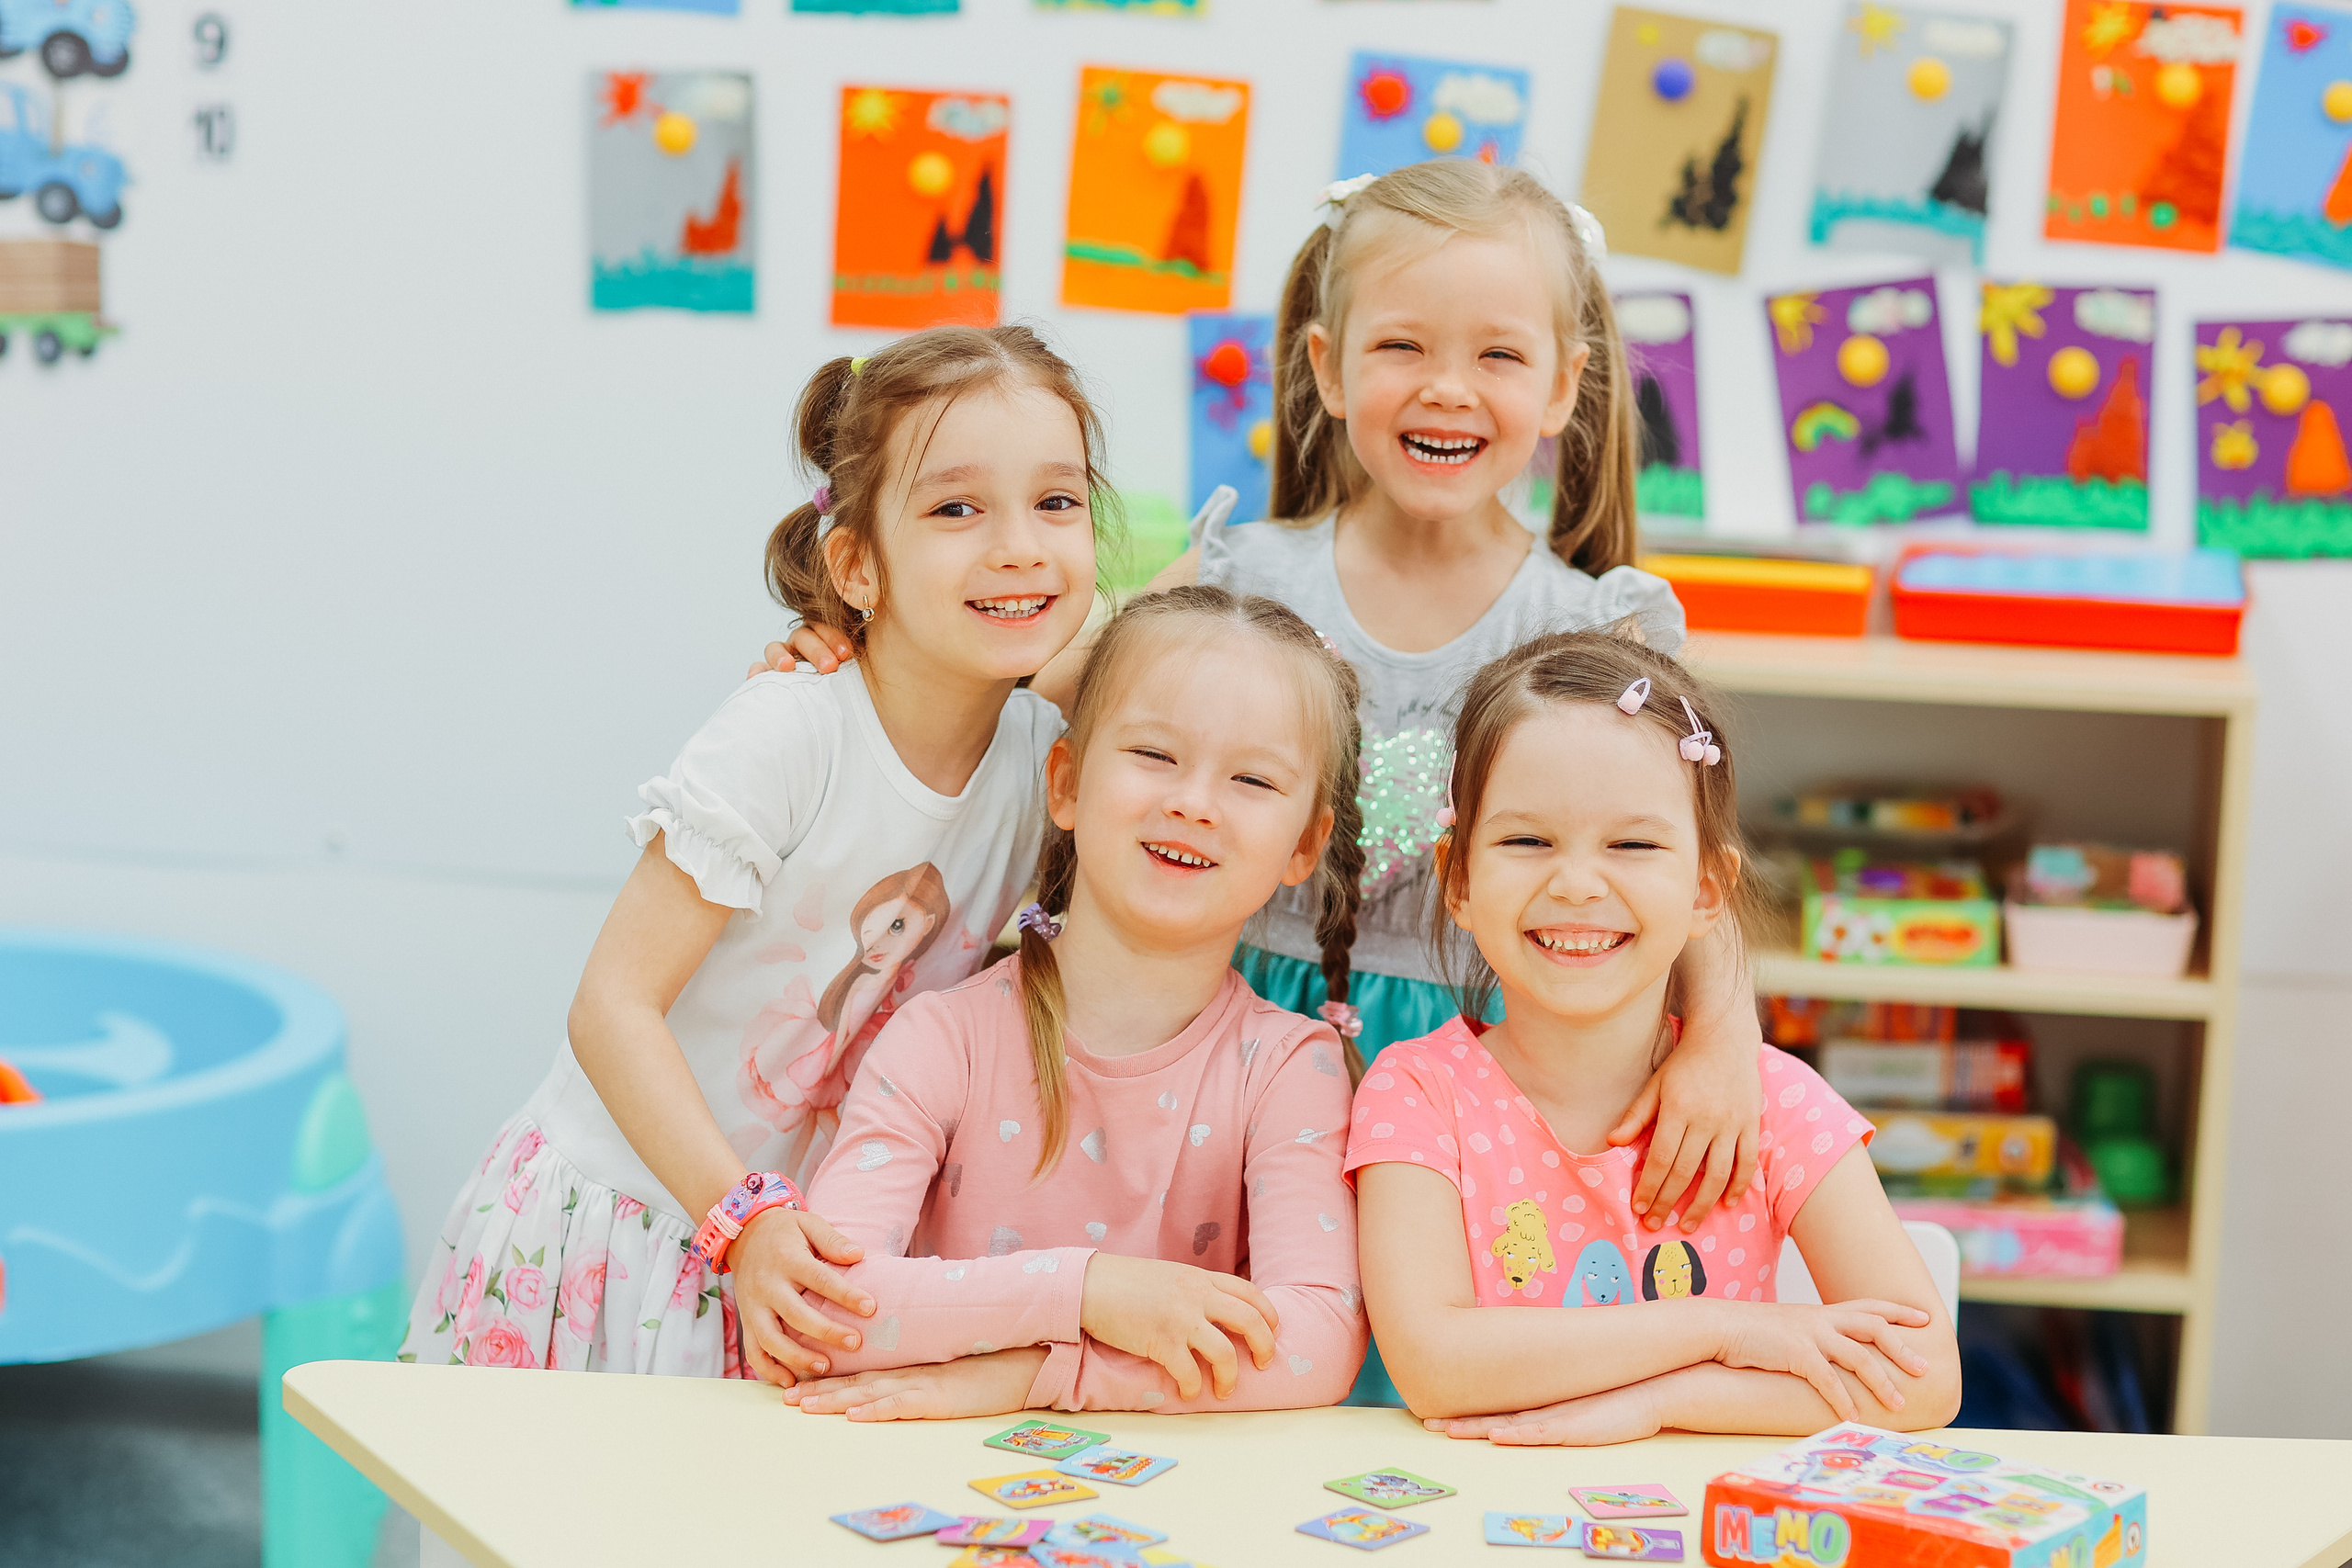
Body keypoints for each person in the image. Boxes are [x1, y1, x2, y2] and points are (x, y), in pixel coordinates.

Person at [770, 162, 1764, 1254]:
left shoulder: (1593, 629)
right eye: (1402, 346)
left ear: (1565, 387)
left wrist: (1722, 1031)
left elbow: (1676, 853)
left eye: (1498, 354)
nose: (1446, 386)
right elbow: (1022, 676)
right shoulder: (1236, 576)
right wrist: (850, 643)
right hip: (1216, 1056)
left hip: (1482, 1067)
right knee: (1226, 1341)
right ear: (1328, 370)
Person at [398, 325, 1114, 1384]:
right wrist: (742, 1220)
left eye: (1056, 502)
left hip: (791, 1265)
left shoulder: (1040, 766)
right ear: (858, 564)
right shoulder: (786, 733)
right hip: (630, 1228)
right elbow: (611, 1007)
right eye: (956, 507)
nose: (1019, 545)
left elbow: (1177, 654)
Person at [1350, 632, 1962, 1445]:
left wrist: (1660, 1403)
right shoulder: (1415, 1092)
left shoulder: (1776, 1101)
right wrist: (1723, 1331)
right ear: (1458, 877)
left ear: (1708, 889)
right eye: (1527, 840)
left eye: (1632, 844)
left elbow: (1925, 1379)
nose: (1575, 883)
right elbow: (1436, 1366)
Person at [772, 587, 1366, 1420]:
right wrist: (1090, 1293)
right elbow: (826, 1301)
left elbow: (1318, 1340)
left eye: (1252, 778)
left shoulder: (1288, 1070)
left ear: (1303, 844)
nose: (1194, 801)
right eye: (1154, 754)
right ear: (1065, 782)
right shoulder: (944, 1038)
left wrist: (1031, 1375)